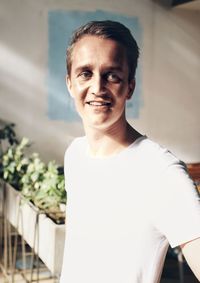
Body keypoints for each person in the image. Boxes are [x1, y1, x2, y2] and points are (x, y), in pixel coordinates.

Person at [60, 20, 200, 283]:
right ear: (70, 83)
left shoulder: (160, 171)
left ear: (130, 87)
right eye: (85, 73)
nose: (98, 88)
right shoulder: (75, 154)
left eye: (112, 75)